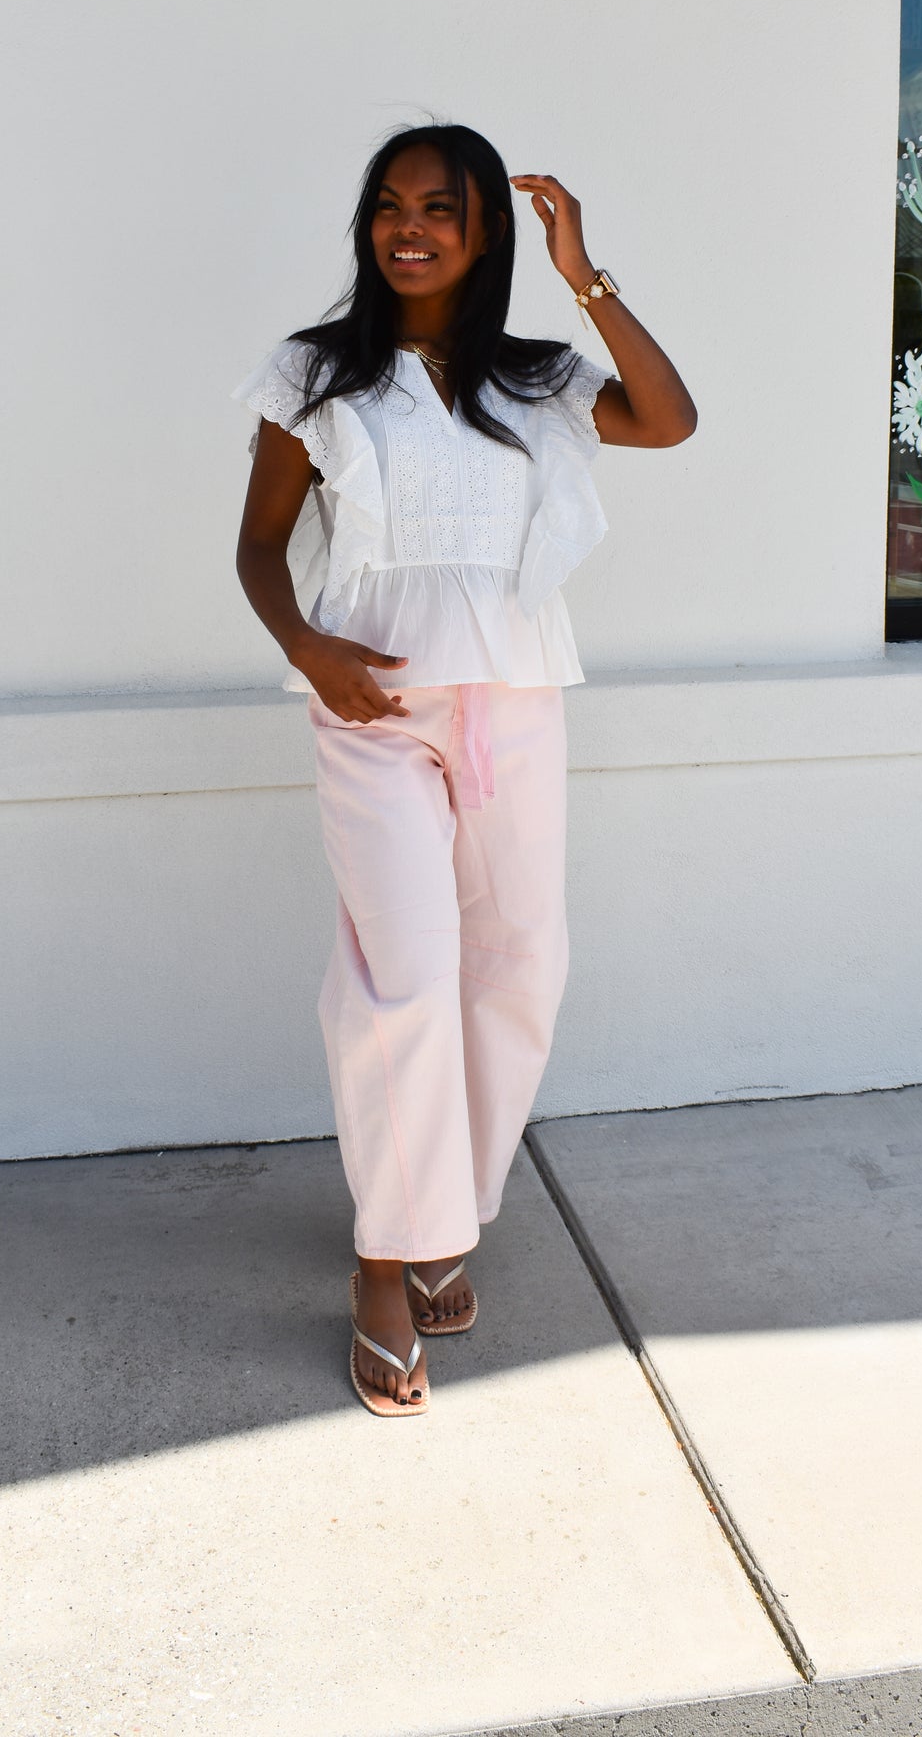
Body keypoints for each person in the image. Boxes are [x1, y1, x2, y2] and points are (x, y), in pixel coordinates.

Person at [234, 123, 696, 1417]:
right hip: (373, 704)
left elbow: (669, 419)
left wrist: (583, 274)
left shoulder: (539, 377)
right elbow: (261, 546)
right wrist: (306, 646)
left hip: (514, 699)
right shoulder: (314, 372)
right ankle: (387, 1262)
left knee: (519, 964)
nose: (408, 227)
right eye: (389, 204)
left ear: (486, 228)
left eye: (440, 207)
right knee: (403, 976)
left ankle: (447, 1214)